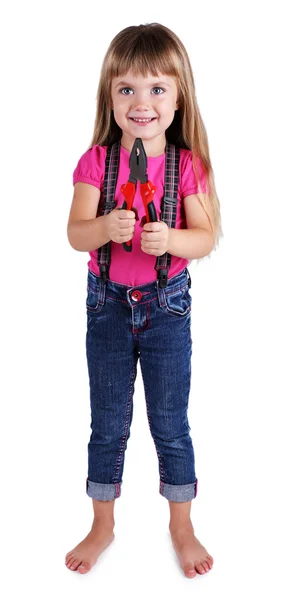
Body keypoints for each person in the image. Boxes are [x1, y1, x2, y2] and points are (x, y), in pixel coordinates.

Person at [65, 22, 222, 578]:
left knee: (170, 422)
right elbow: (75, 233)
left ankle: (181, 525)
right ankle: (102, 522)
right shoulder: (97, 163)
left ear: (179, 100)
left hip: (167, 309)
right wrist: (106, 224)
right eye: (126, 88)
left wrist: (171, 239)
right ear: (110, 96)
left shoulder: (187, 167)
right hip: (106, 306)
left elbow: (204, 237)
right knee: (107, 422)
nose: (141, 102)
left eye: (157, 89)